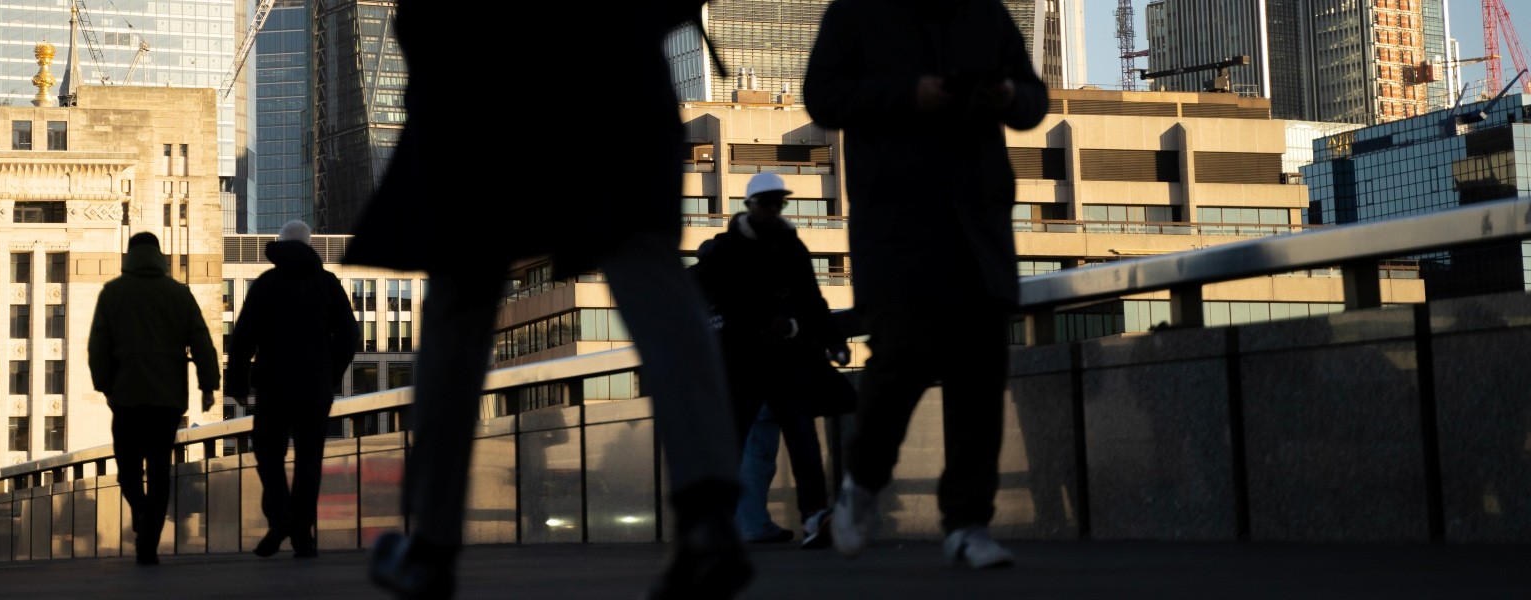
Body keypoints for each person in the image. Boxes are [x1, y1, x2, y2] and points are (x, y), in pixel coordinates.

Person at [347, 4, 749, 598]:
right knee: (653, 277)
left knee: (461, 301)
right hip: (615, 61)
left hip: (481, 76)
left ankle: (431, 545)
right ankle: (710, 516)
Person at [803, 0, 1049, 569]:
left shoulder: (985, 15)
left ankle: (967, 522)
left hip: (977, 223)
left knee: (980, 372)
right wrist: (907, 95)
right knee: (903, 356)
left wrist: (1008, 97)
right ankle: (862, 483)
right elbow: (823, 96)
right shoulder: (856, 13)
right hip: (897, 225)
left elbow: (1034, 100)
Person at [692, 172, 852, 550]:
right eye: (767, 203)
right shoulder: (727, 250)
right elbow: (721, 302)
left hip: (781, 363)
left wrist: (832, 340)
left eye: (779, 203)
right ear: (750, 206)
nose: (774, 210)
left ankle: (814, 514)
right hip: (743, 364)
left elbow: (812, 299)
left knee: (801, 440)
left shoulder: (790, 246)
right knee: (737, 441)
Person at [224, 220, 358, 559]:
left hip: (274, 382)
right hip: (315, 385)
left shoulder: (267, 283)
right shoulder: (327, 284)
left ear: (280, 245)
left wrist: (238, 382)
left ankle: (281, 514)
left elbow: (243, 337)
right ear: (310, 244)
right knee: (309, 461)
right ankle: (303, 537)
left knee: (268, 454)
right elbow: (349, 336)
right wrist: (332, 373)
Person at [88, 232, 220, 566]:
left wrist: (106, 387)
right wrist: (208, 386)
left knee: (128, 468)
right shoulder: (178, 294)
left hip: (127, 398)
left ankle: (142, 511)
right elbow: (202, 341)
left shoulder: (113, 293)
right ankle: (148, 543)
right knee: (160, 470)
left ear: (130, 255)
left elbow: (97, 347)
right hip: (167, 400)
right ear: (159, 255)